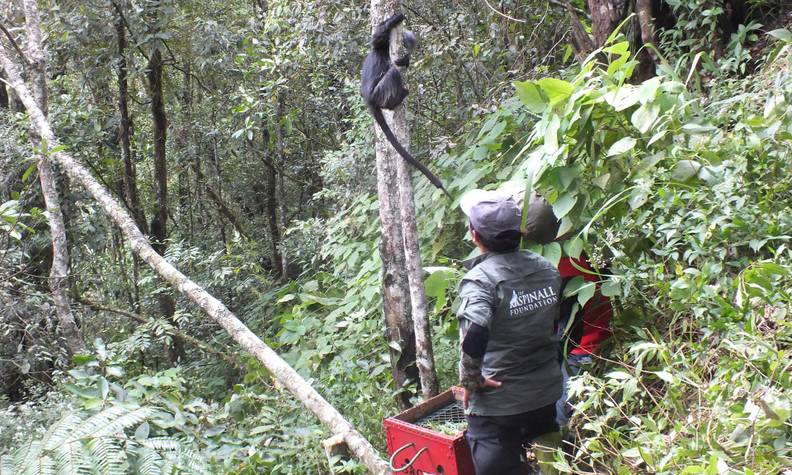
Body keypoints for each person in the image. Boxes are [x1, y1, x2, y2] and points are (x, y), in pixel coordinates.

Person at [456, 189, 563, 475]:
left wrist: (471, 380)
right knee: (552, 464)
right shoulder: (547, 270)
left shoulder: (480, 281)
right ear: (519, 232)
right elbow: (554, 327)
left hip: (499, 404)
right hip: (545, 391)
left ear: (474, 234)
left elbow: (476, 330)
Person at [519, 193, 613, 427]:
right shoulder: (577, 241)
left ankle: (563, 454)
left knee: (560, 410)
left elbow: (559, 328)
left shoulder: (554, 269)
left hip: (582, 346)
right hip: (591, 333)